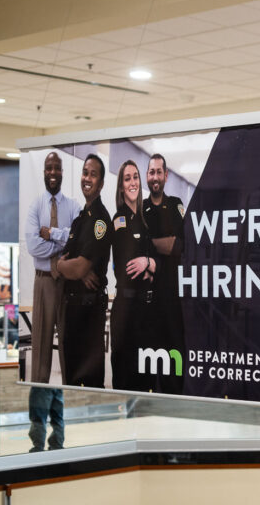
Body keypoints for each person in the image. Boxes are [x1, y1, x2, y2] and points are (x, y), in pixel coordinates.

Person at [56, 154, 113, 388]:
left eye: (93, 175)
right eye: (85, 172)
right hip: (73, 306)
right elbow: (71, 261)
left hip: (89, 309)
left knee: (88, 380)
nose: (87, 178)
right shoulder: (80, 219)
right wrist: (72, 266)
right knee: (71, 377)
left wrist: (63, 266)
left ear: (101, 183)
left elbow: (77, 266)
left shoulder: (100, 220)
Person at [24, 151, 81, 383]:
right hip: (44, 282)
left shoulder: (73, 206)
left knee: (70, 346)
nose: (53, 172)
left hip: (68, 284)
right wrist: (62, 247)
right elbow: (33, 245)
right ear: (44, 172)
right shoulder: (36, 206)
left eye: (57, 168)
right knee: (40, 350)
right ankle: (39, 400)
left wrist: (52, 234)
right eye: (49, 168)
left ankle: (72, 393)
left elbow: (78, 239)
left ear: (62, 172)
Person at [111, 160, 158, 392]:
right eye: (127, 178)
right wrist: (150, 266)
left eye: (135, 177)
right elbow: (127, 267)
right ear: (121, 187)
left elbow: (157, 262)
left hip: (146, 310)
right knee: (125, 374)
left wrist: (148, 263)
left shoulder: (146, 219)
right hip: (126, 307)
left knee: (145, 375)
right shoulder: (119, 220)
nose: (132, 182)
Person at [143, 153, 185, 394]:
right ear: (147, 176)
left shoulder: (176, 205)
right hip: (147, 299)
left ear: (166, 175)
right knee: (149, 355)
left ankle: (174, 397)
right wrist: (163, 243)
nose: (155, 177)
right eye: (152, 172)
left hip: (172, 297)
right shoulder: (140, 209)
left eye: (159, 172)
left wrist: (148, 243)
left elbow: (177, 246)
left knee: (174, 353)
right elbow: (134, 248)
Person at [28, 387, 64, 451]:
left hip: (41, 385)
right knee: (57, 419)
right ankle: (57, 446)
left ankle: (38, 448)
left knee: (38, 419)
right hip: (57, 386)